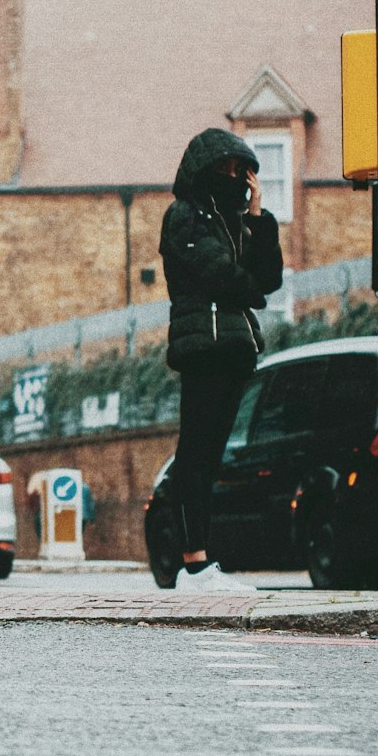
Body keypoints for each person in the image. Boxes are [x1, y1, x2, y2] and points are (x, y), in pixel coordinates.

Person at [159, 127, 283, 592]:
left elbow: (267, 280)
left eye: (240, 171)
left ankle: (199, 564)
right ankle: (193, 563)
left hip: (235, 350)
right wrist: (247, 286)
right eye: (225, 170)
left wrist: (257, 213)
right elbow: (223, 277)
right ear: (203, 171)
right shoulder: (184, 217)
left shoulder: (234, 221)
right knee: (195, 455)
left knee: (209, 458)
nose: (233, 178)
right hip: (203, 348)